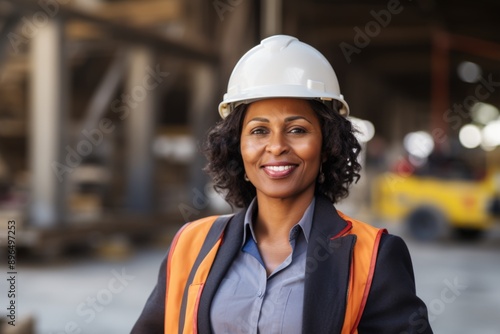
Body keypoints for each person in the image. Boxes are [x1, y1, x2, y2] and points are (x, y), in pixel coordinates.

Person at [131, 35, 433, 334]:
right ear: (238, 146)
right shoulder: (191, 244)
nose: (276, 146)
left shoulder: (375, 256)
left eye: (297, 129)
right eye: (259, 130)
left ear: (328, 145)